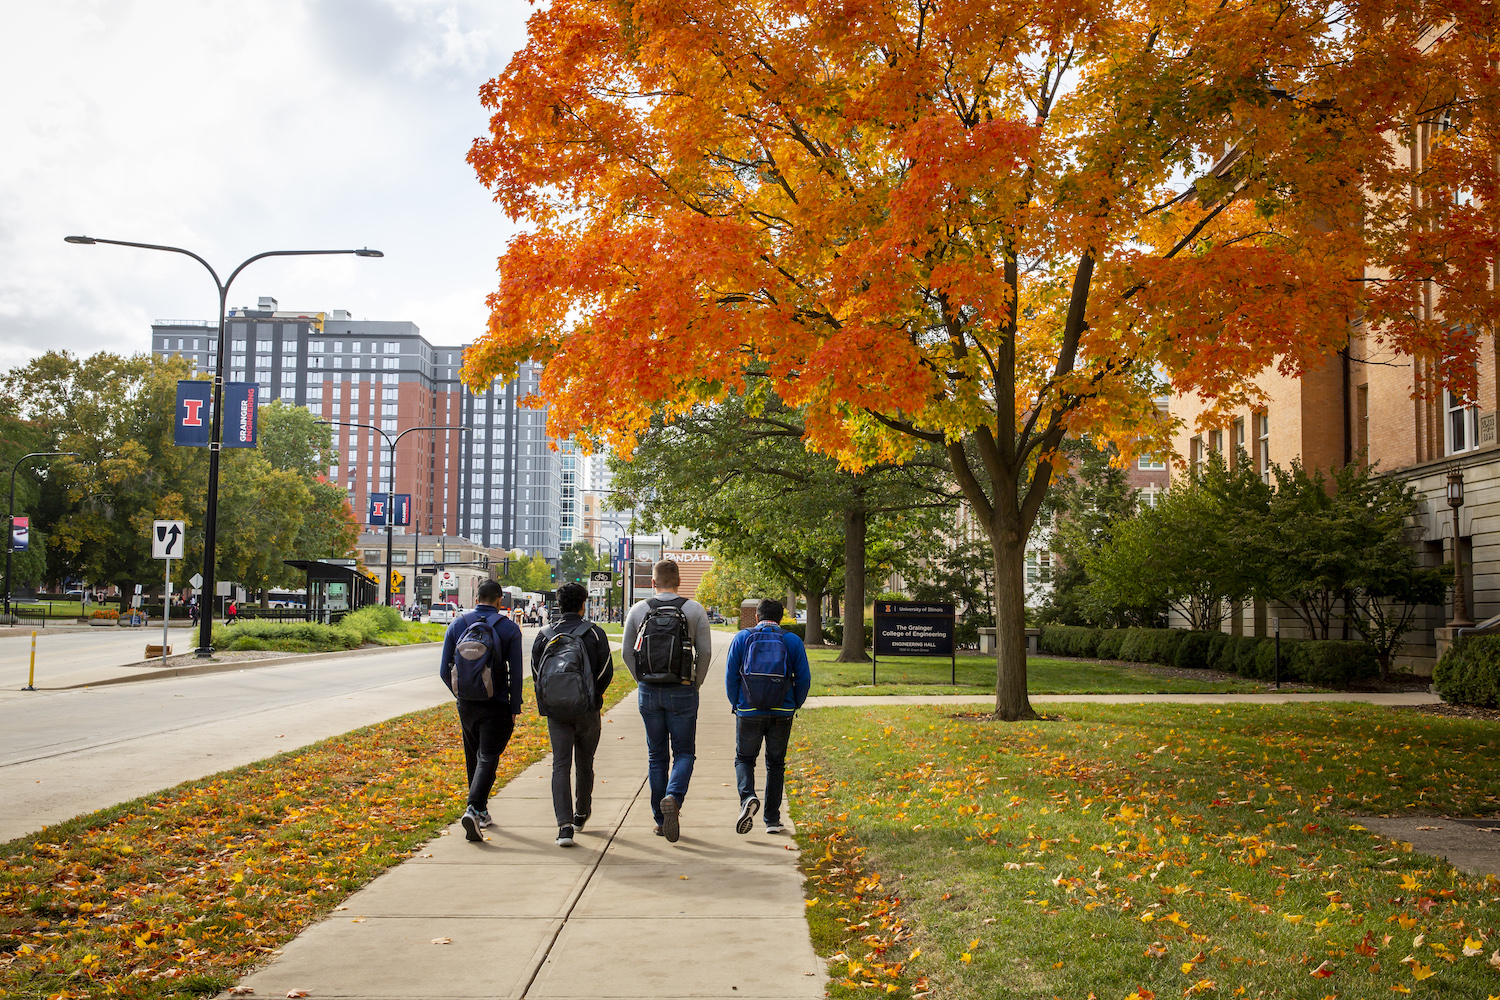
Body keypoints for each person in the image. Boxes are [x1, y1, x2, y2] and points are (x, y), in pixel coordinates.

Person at [621, 559, 714, 842]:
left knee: (656, 756)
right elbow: (706, 653)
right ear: (679, 581)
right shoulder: (694, 609)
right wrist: (695, 681)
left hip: (649, 691)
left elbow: (627, 652)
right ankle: (673, 796)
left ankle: (660, 821)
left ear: (653, 582)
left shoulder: (639, 610)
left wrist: (642, 680)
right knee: (684, 753)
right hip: (683, 689)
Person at [439, 579, 525, 842]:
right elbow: (517, 674)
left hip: (466, 704)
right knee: (488, 756)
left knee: (473, 756)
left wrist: (461, 694)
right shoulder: (509, 629)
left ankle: (482, 810)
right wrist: (514, 706)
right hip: (496, 702)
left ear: (477, 597)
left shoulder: (457, 624)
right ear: (500, 601)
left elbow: (444, 670)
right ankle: (474, 808)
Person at [531, 582, 614, 847]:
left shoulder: (544, 635)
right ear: (583, 604)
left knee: (560, 764)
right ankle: (581, 813)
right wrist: (593, 696)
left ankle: (564, 826)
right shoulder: (595, 634)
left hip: (557, 711)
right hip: (587, 710)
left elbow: (536, 673)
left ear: (558, 603)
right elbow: (606, 672)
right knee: (585, 762)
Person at [724, 598, 812, 835]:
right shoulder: (791, 640)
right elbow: (803, 678)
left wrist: (737, 704)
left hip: (749, 710)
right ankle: (772, 820)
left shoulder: (743, 638)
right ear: (781, 618)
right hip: (782, 711)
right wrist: (795, 704)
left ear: (756, 617)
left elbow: (731, 676)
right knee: (775, 764)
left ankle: (747, 799)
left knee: (744, 759)